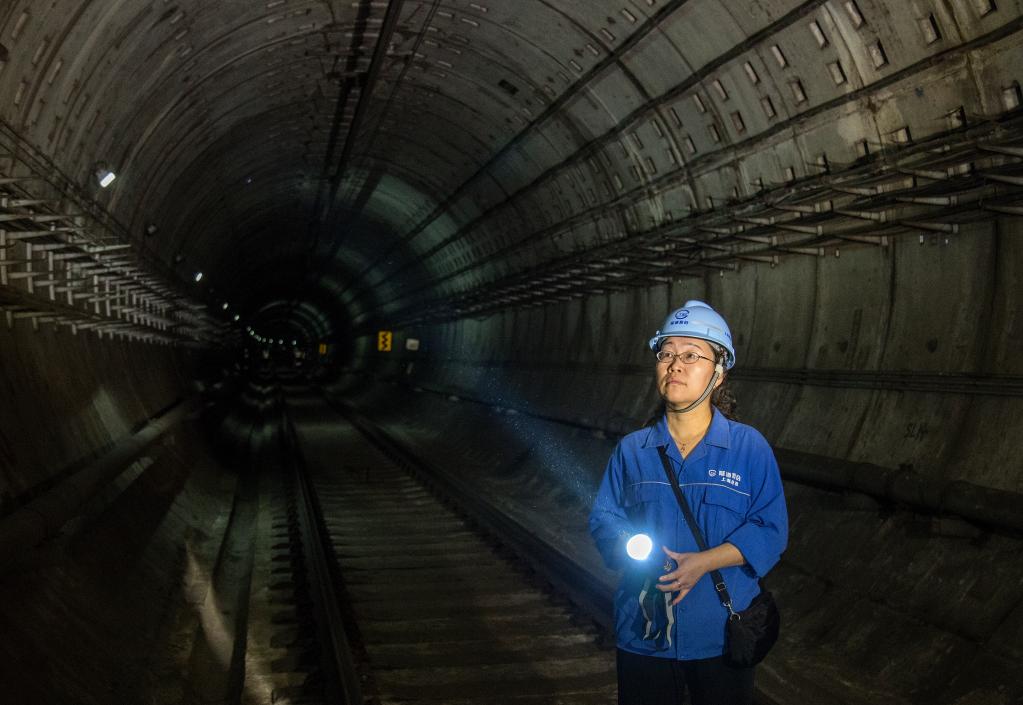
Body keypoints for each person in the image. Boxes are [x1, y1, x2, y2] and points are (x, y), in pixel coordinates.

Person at [589, 300, 788, 705]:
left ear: (719, 372)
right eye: (666, 354)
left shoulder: (748, 448)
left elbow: (771, 527)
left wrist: (705, 561)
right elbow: (604, 519)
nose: (674, 364)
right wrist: (629, 545)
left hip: (719, 637)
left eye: (691, 355)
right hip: (644, 634)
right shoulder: (633, 450)